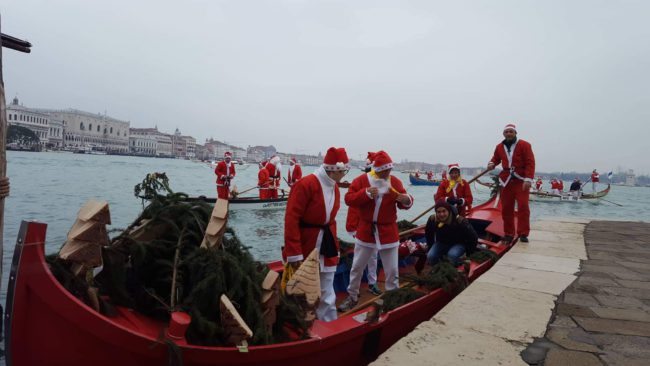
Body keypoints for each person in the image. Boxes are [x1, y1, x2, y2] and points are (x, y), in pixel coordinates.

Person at [338, 151, 414, 312]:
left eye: (389, 171)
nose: (387, 174)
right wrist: (364, 194)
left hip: (388, 231)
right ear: (376, 169)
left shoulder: (394, 182)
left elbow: (405, 201)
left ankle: (392, 298)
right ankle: (352, 296)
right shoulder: (362, 181)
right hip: (366, 230)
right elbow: (348, 199)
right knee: (357, 266)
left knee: (392, 269)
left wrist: (406, 200)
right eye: (384, 171)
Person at [283, 147, 350, 321]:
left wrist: (334, 246)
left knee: (327, 285)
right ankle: (300, 321)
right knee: (303, 286)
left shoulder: (334, 187)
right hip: (306, 243)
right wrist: (294, 252)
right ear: (333, 170)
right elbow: (291, 219)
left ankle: (328, 322)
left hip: (326, 244)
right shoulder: (306, 184)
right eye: (343, 171)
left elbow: (331, 221)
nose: (344, 174)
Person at [487, 123, 535, 244]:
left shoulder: (524, 145)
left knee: (523, 207)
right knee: (506, 209)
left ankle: (523, 233)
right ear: (504, 134)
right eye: (506, 132)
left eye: (511, 132)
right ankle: (508, 234)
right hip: (506, 180)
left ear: (515, 133)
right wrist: (491, 163)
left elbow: (530, 162)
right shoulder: (499, 147)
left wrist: (528, 179)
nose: (508, 134)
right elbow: (495, 159)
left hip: (521, 180)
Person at [345, 152, 381, 296]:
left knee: (373, 255)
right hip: (360, 227)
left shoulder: (380, 184)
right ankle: (354, 289)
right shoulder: (360, 182)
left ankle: (372, 283)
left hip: (373, 228)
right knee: (361, 260)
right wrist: (354, 228)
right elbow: (353, 207)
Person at [425, 200, 478, 266]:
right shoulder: (432, 219)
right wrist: (430, 246)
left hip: (459, 243)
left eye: (444, 211)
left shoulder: (460, 221)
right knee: (430, 256)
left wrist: (469, 254)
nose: (441, 214)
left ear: (449, 211)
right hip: (441, 243)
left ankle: (456, 267)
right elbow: (429, 234)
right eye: (439, 212)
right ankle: (437, 268)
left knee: (452, 255)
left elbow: (473, 237)